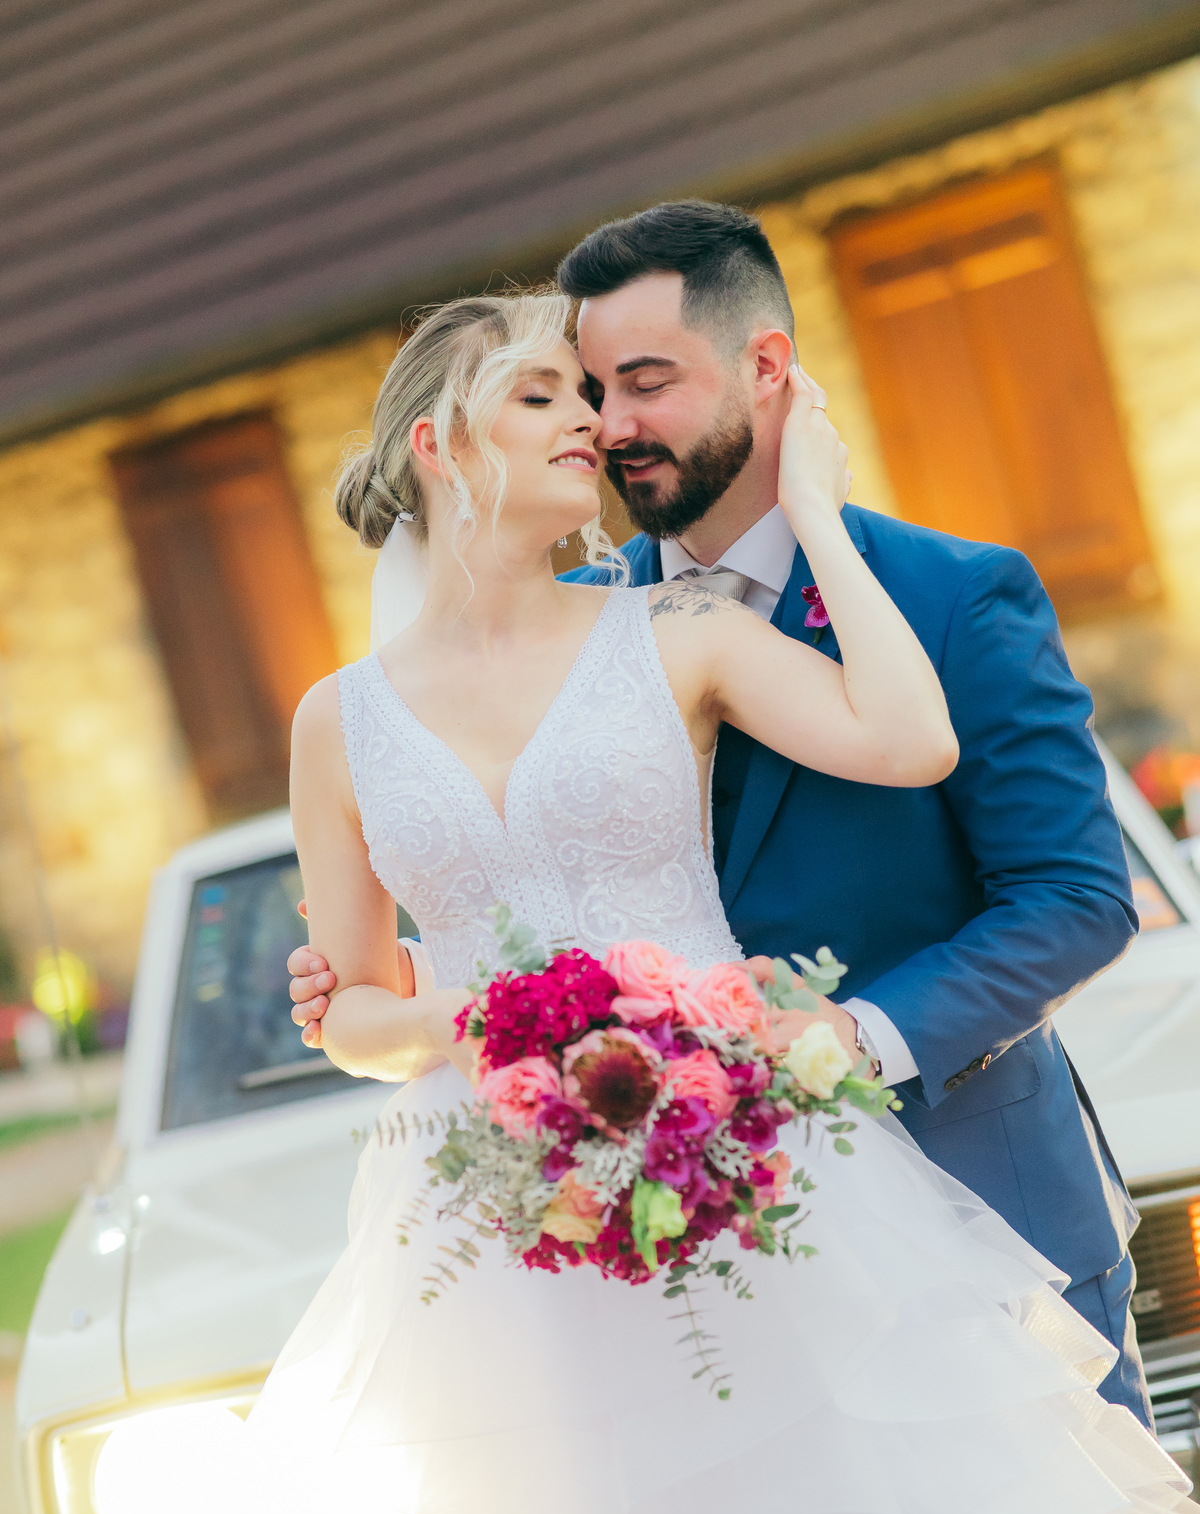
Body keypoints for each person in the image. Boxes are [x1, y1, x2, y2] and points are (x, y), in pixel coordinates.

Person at [248, 288, 1200, 1514]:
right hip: (500, 1233)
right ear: (438, 444)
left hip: (744, 1175)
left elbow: (911, 740)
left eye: (592, 396)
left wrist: (816, 507)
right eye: (543, 400)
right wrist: (477, 1026)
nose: (592, 426)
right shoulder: (336, 720)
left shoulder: (673, 629)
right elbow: (355, 1010)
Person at [290, 200, 1151, 1431]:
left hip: (972, 1186)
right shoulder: (583, 619)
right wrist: (432, 971)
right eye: (582, 389)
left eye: (644, 383)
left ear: (766, 369)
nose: (608, 424)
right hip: (622, 1221)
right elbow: (563, 866)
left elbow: (1074, 898)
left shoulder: (955, 597)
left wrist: (851, 1038)